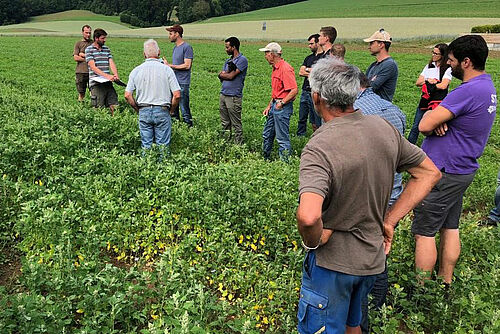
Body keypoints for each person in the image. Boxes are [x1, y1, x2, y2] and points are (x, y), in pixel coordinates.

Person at [296, 57, 440, 334]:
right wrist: (390, 220)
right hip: (371, 259)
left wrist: (313, 243)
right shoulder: (382, 128)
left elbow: (308, 216)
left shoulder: (319, 146)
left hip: (332, 265)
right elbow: (429, 173)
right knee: (355, 325)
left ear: (317, 98)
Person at [414, 35, 497, 284]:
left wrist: (437, 119)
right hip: (462, 168)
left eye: (451, 61)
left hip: (444, 171)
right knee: (450, 227)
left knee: (424, 232)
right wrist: (443, 119)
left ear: (467, 61)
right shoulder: (487, 86)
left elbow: (424, 124)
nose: (449, 66)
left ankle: (421, 291)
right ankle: (445, 281)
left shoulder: (468, 90)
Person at [354, 73, 407, 334]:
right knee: (380, 250)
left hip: (368, 196)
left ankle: (363, 314)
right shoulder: (394, 110)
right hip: (392, 193)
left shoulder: (355, 113)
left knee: (363, 256)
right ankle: (378, 307)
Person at [124, 39, 181, 157]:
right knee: (163, 146)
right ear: (159, 52)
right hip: (162, 110)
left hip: (143, 109)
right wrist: (171, 110)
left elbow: (127, 95)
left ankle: (146, 168)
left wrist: (137, 109)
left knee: (146, 145)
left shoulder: (136, 70)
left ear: (144, 54)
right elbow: (177, 95)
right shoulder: (167, 70)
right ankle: (164, 171)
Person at [259, 42, 298, 162]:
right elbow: (277, 91)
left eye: (266, 53)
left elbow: (294, 90)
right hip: (275, 105)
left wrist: (281, 103)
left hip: (282, 107)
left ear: (272, 54)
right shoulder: (275, 68)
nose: (265, 56)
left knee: (282, 138)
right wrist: (269, 105)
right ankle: (265, 158)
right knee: (267, 134)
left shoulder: (285, 69)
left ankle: (284, 164)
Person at [408, 43, 452, 144]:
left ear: (443, 55)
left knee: (433, 127)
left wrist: (432, 84)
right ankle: (409, 147)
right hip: (425, 100)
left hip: (437, 101)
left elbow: (443, 85)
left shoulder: (447, 69)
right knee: (416, 126)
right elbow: (418, 82)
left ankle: (429, 149)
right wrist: (429, 80)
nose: (433, 55)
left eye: (436, 53)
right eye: (433, 52)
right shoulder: (429, 67)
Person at [218, 36, 248, 144]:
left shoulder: (242, 60)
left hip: (234, 96)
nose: (226, 49)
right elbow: (221, 75)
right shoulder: (228, 61)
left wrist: (224, 75)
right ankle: (226, 142)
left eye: (227, 47)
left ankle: (238, 145)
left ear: (234, 47)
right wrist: (224, 75)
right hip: (224, 94)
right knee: (225, 122)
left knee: (235, 123)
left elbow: (230, 76)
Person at [85, 28, 120, 115]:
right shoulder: (89, 50)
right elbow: (93, 67)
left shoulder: (106, 49)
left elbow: (111, 62)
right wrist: (107, 76)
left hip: (107, 83)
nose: (105, 40)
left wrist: (115, 74)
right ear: (96, 38)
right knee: (98, 108)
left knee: (114, 105)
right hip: (96, 84)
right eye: (102, 38)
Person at [165, 24, 194, 127]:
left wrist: (169, 65)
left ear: (177, 34)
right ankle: (177, 130)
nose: (169, 36)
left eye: (171, 33)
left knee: (184, 109)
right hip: (174, 81)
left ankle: (189, 130)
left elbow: (187, 65)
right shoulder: (175, 48)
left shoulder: (186, 47)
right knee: (174, 109)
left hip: (182, 82)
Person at [297, 34, 323, 136]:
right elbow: (300, 72)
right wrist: (313, 72)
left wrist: (308, 70)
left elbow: (320, 73)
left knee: (316, 117)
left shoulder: (323, 57)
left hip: (315, 91)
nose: (309, 46)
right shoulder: (308, 58)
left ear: (318, 43)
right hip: (305, 90)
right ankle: (300, 135)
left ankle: (317, 135)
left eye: (311, 43)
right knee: (302, 116)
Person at [364, 29, 398, 102]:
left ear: (381, 45)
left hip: (381, 109)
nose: (369, 47)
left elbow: (371, 87)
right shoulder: (373, 65)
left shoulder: (390, 65)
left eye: (372, 43)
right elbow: (363, 84)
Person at [73, 25, 92, 102]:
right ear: (82, 32)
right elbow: (76, 58)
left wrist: (83, 55)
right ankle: (80, 106)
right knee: (81, 93)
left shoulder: (93, 43)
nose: (88, 34)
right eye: (86, 32)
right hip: (80, 71)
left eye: (90, 33)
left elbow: (95, 56)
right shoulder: (78, 43)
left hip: (92, 71)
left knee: (94, 92)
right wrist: (88, 59)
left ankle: (94, 107)